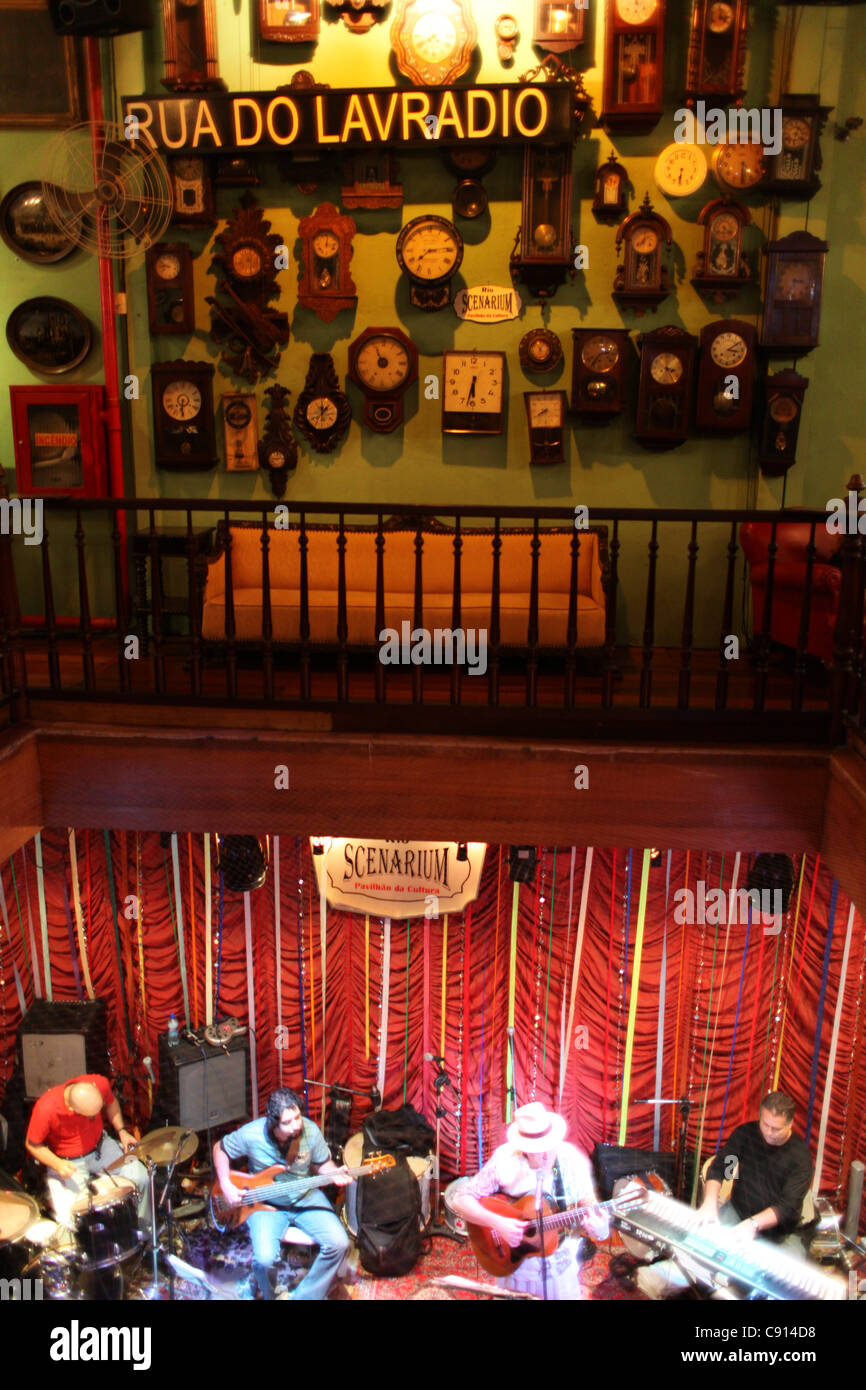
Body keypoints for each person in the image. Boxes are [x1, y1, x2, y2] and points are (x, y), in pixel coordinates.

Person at [636, 1091, 813, 1300]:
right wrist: (710, 1202)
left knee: (786, 1287)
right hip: (739, 1213)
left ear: (790, 1124)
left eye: (776, 1128)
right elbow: (721, 1169)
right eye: (765, 1124)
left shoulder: (800, 1158)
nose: (769, 1132)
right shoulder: (746, 1135)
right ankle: (661, 1280)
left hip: (782, 1233)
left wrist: (753, 1224)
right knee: (700, 1253)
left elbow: (787, 1207)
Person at [450, 1101, 610, 1300]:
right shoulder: (505, 1159)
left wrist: (600, 1228)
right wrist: (498, 1223)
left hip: (561, 1273)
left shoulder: (571, 1160)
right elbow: (460, 1199)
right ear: (523, 1148)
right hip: (517, 1268)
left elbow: (589, 1202)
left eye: (548, 1147)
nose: (544, 1155)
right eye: (536, 1149)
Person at [213, 1087, 353, 1301]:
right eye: (287, 1122)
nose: (296, 1125)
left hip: (305, 1196)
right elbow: (219, 1149)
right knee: (264, 1260)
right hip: (264, 1204)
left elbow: (323, 1164)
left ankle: (306, 1296)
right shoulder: (252, 1134)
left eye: (297, 1117)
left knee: (340, 1243)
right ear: (273, 1123)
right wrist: (226, 1184)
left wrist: (335, 1173)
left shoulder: (310, 1130)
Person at [25, 1073, 151, 1231]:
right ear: (72, 1108)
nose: (94, 1118)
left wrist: (122, 1131)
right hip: (68, 1161)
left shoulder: (98, 1083)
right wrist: (57, 1164)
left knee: (141, 1177)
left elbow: (111, 1103)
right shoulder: (46, 1108)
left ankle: (145, 1232)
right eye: (90, 1116)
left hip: (101, 1147)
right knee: (71, 1214)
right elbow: (32, 1144)